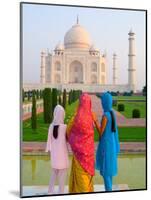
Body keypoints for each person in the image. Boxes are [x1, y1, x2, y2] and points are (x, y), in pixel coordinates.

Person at [67, 93, 101, 193]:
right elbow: (98, 133)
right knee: (88, 178)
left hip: (79, 156)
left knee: (80, 180)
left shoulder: (75, 118)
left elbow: (68, 133)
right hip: (89, 155)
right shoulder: (91, 117)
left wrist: (75, 143)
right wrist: (95, 121)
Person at [96, 92, 120, 191]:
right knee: (109, 170)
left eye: (102, 101)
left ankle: (108, 191)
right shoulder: (112, 113)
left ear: (104, 102)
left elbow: (101, 132)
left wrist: (95, 121)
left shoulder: (105, 115)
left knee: (106, 171)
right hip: (112, 144)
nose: (102, 103)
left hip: (106, 145)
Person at [45, 105, 69, 194]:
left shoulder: (51, 126)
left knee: (53, 174)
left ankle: (50, 192)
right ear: (62, 115)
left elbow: (48, 141)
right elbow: (68, 140)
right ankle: (61, 193)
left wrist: (48, 150)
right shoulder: (64, 127)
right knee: (62, 177)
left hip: (54, 156)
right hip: (62, 157)